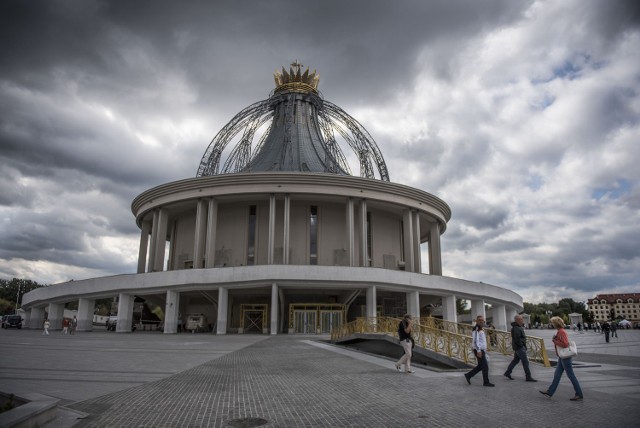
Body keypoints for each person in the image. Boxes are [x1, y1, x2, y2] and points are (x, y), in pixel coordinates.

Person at [540, 316, 583, 401]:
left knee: (571, 375)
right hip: (562, 356)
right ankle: (550, 391)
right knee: (557, 375)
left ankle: (579, 394)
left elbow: (565, 344)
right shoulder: (559, 331)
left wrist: (555, 341)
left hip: (565, 357)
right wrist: (555, 340)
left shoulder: (561, 332)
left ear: (556, 324)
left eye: (552, 323)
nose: (552, 324)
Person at [504, 314, 537, 382]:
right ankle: (528, 376)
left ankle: (508, 372)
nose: (522, 320)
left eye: (522, 319)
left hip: (518, 347)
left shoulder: (517, 327)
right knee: (525, 362)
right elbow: (517, 339)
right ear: (517, 320)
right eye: (521, 319)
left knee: (515, 360)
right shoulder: (516, 328)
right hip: (519, 348)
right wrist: (522, 345)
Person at [464, 315, 494, 387]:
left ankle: (468, 375)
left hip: (481, 350)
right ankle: (486, 382)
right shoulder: (477, 328)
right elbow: (475, 340)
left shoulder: (481, 328)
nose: (481, 321)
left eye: (482, 320)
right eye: (480, 320)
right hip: (479, 350)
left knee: (481, 366)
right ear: (477, 321)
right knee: (485, 366)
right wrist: (478, 350)